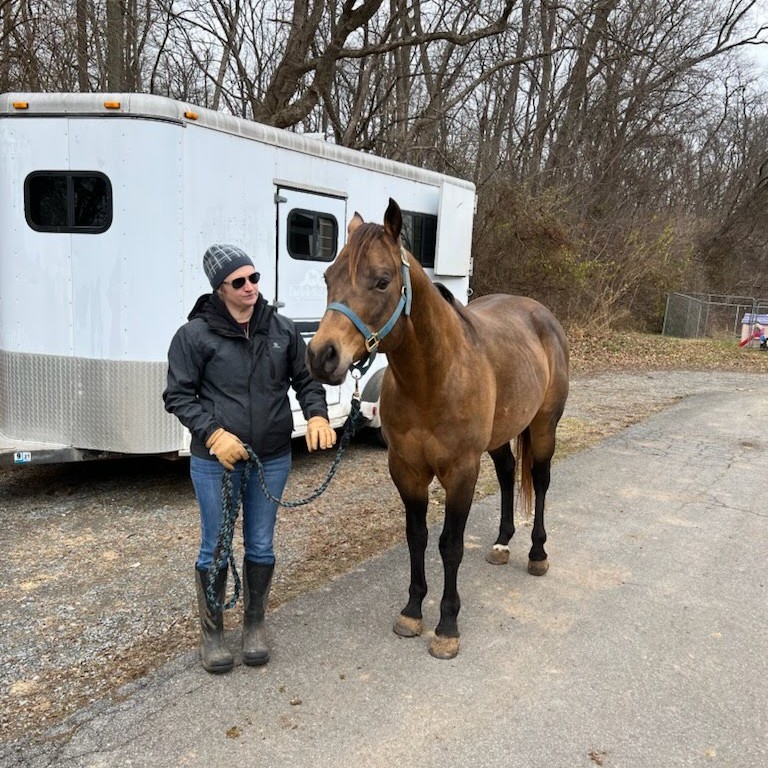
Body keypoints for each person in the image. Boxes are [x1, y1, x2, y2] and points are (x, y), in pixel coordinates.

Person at [163, 244, 336, 674]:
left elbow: (305, 378)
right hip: (215, 462)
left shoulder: (280, 328)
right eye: (239, 282)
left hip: (272, 458)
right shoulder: (193, 336)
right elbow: (178, 396)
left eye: (254, 278)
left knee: (260, 542)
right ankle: (213, 634)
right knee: (215, 547)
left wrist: (317, 414)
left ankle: (254, 625)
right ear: (220, 289)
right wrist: (213, 433)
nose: (250, 288)